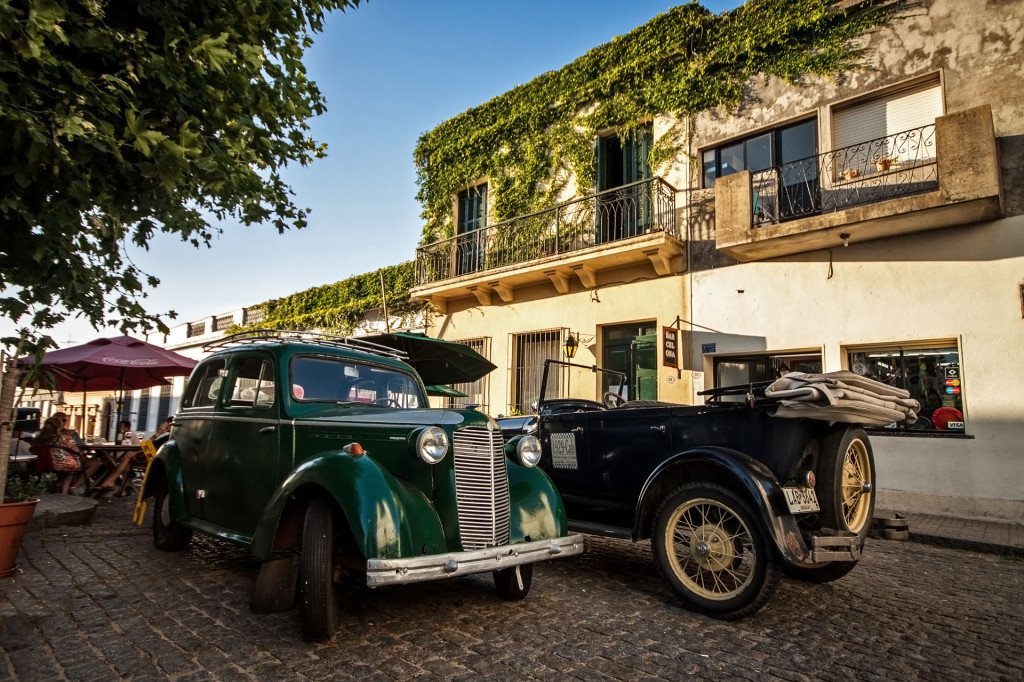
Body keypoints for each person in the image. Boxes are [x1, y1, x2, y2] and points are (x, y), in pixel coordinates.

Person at [32, 416, 83, 495]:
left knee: (67, 466)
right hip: (61, 464)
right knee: (71, 467)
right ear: (59, 427)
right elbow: (77, 451)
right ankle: (64, 491)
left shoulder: (37, 439)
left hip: (42, 464)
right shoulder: (65, 438)